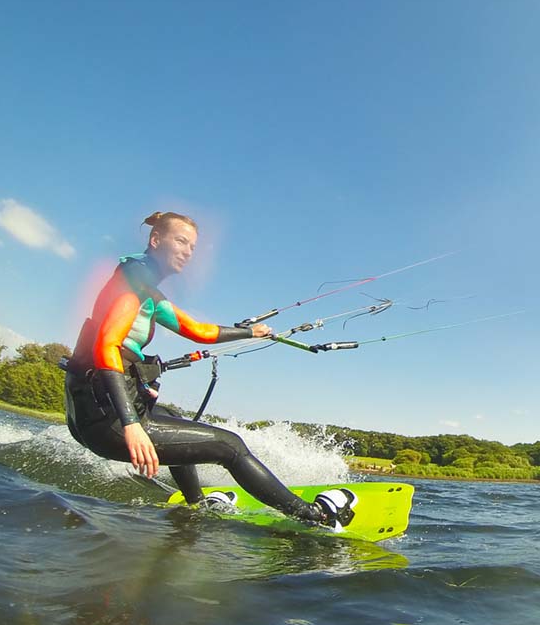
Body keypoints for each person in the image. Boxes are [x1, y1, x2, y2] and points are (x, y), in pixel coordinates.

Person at [65, 211, 343, 526]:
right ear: (156, 240)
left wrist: (251, 331)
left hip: (87, 410)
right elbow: (107, 346)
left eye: (193, 246)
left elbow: (200, 330)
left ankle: (195, 505)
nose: (187, 251)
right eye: (180, 241)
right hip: (107, 420)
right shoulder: (136, 284)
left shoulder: (144, 286)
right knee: (230, 447)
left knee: (171, 418)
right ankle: (314, 516)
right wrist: (131, 425)